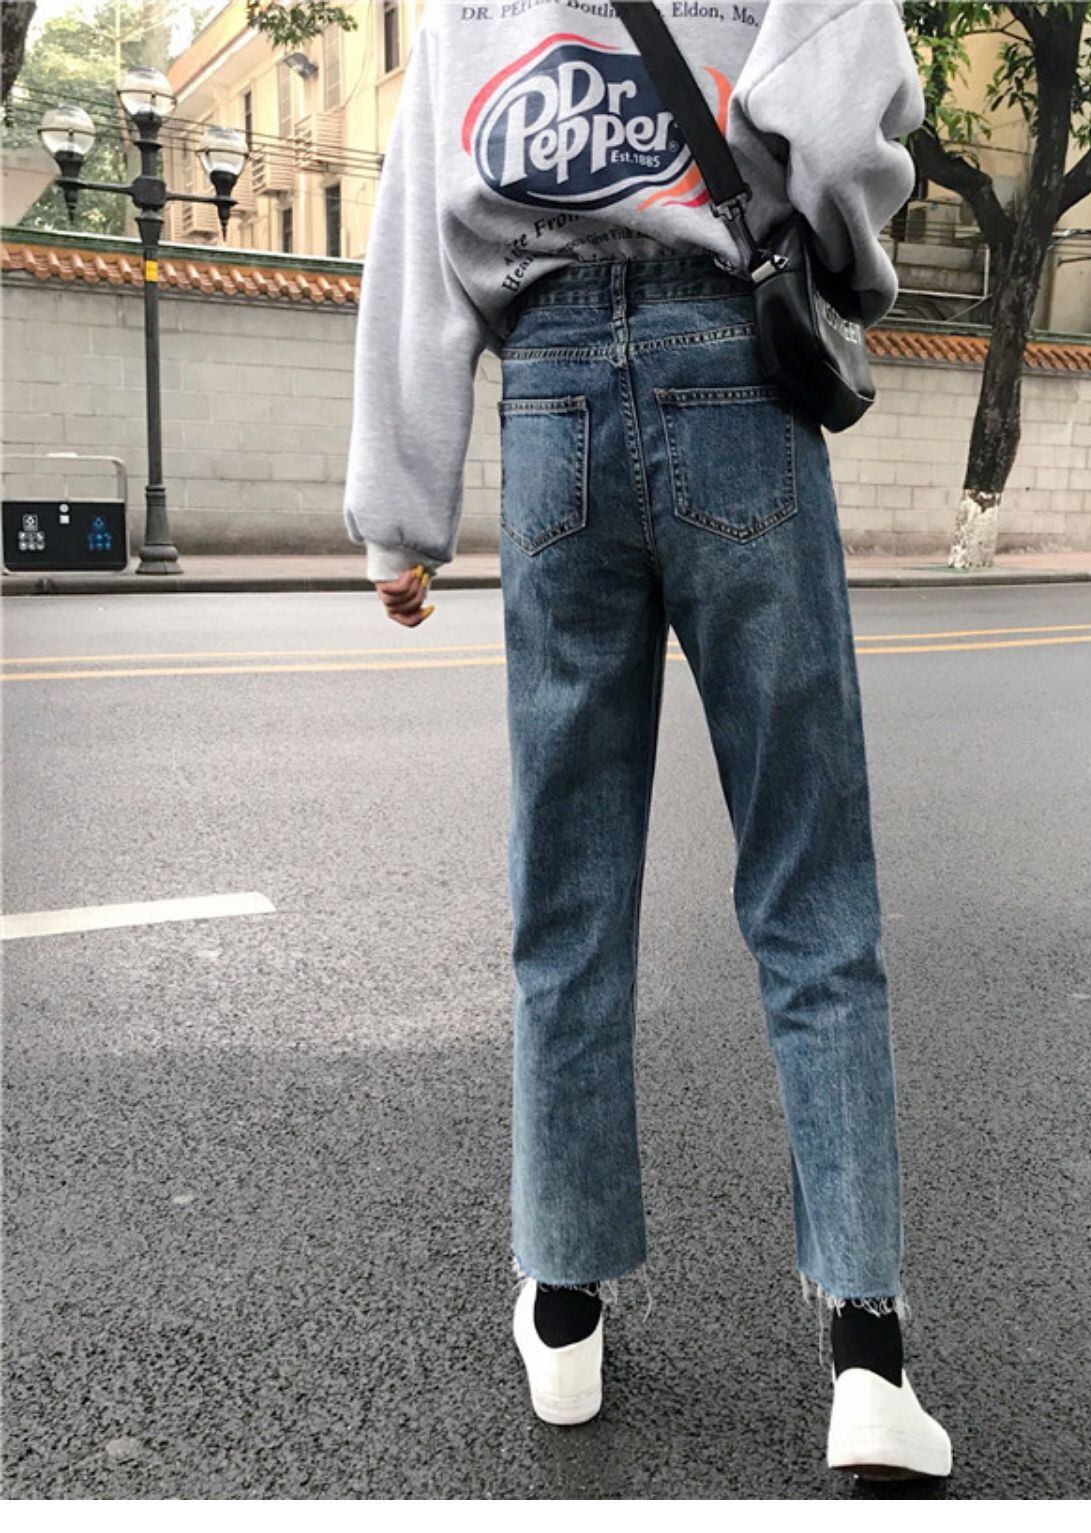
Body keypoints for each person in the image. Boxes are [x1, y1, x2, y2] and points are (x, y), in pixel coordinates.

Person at [342, 0, 950, 1482]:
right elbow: (852, 102)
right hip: (733, 361)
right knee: (812, 889)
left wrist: (400, 515)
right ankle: (867, 1357)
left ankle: (564, 1308)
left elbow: (419, 217)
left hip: (549, 398)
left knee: (567, 890)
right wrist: (841, 258)